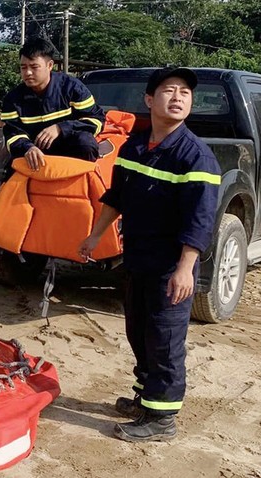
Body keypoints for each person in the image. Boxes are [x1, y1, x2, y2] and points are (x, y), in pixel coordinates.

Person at [78, 67, 220, 442]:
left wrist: (185, 269)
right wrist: (94, 236)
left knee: (165, 338)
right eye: (169, 90)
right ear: (149, 100)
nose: (177, 97)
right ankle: (148, 397)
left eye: (185, 93)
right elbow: (116, 198)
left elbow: (200, 220)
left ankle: (162, 418)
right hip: (139, 259)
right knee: (138, 331)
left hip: (171, 266)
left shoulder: (196, 158)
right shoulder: (135, 147)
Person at [1, 37, 106, 172]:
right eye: (23, 67)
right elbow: (12, 134)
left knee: (85, 142)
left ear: (50, 65)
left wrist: (61, 128)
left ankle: (83, 185)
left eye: (34, 67)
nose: (27, 73)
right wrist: (28, 147)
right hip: (35, 154)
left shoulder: (72, 88)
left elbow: (97, 120)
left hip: (71, 150)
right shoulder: (13, 99)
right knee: (10, 174)